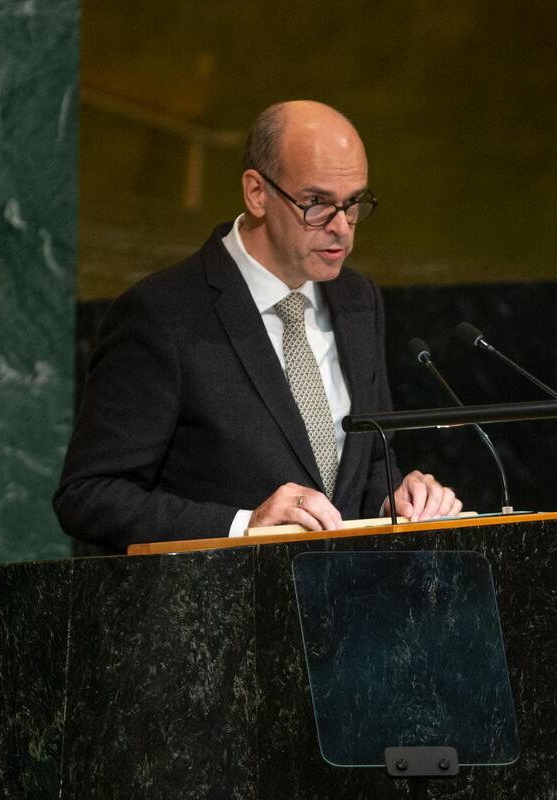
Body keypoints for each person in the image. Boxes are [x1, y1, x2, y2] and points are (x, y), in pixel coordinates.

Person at [54, 100, 461, 552]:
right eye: (316, 203)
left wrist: (394, 498)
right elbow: (89, 495)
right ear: (256, 193)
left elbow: (366, 463)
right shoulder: (162, 314)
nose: (342, 227)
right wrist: (245, 525)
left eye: (353, 204)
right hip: (222, 593)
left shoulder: (358, 300)